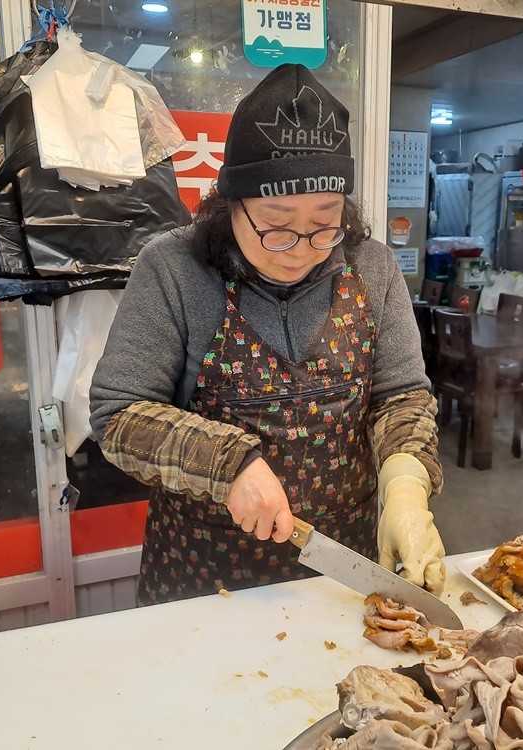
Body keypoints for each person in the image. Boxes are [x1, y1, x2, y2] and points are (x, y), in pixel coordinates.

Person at [89, 63, 446, 606]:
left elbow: (400, 396)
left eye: (326, 220)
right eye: (276, 223)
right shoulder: (173, 268)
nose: (302, 245)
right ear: (230, 203)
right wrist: (228, 464)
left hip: (341, 568)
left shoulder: (372, 267)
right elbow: (119, 414)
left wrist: (404, 484)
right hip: (203, 573)